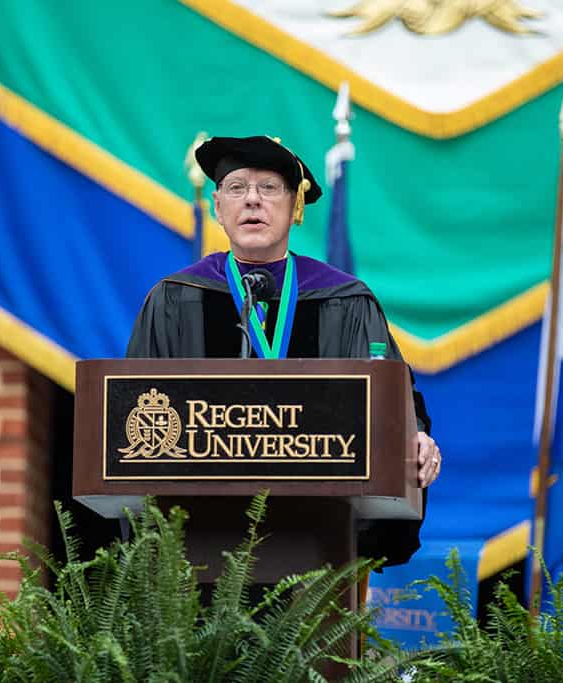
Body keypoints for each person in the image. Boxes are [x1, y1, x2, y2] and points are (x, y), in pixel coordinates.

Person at [126, 135, 441, 567]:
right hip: (196, 546)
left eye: (269, 188)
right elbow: (133, 414)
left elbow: (392, 399)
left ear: (294, 207)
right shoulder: (175, 299)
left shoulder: (344, 299)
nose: (252, 201)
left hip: (321, 548)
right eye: (237, 188)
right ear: (218, 206)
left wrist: (416, 436)